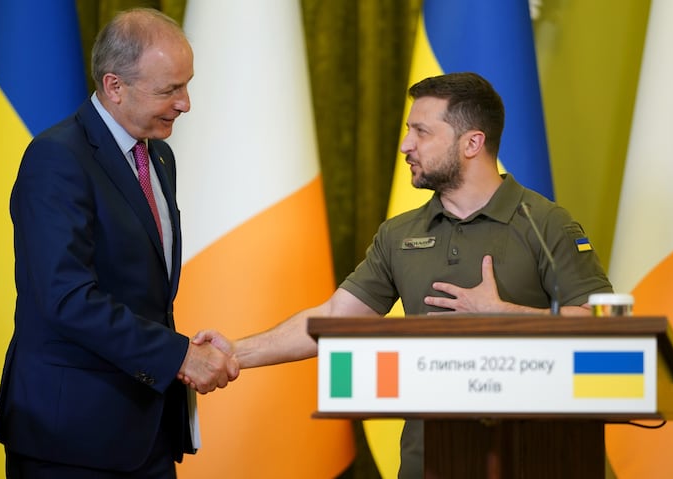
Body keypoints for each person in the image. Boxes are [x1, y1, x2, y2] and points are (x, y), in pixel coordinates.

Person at [191, 72, 614, 478]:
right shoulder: (399, 233)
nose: (405, 145)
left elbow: (605, 330)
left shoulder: (545, 222)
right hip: (429, 461)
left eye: (422, 132)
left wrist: (500, 316)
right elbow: (335, 318)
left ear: (472, 143)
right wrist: (232, 354)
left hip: (538, 460)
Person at [0, 8, 239, 479]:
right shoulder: (57, 159)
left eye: (186, 85)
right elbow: (67, 298)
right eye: (170, 90)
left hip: (147, 431)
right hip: (71, 439)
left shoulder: (159, 155)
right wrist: (179, 355)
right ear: (114, 86)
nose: (186, 103)